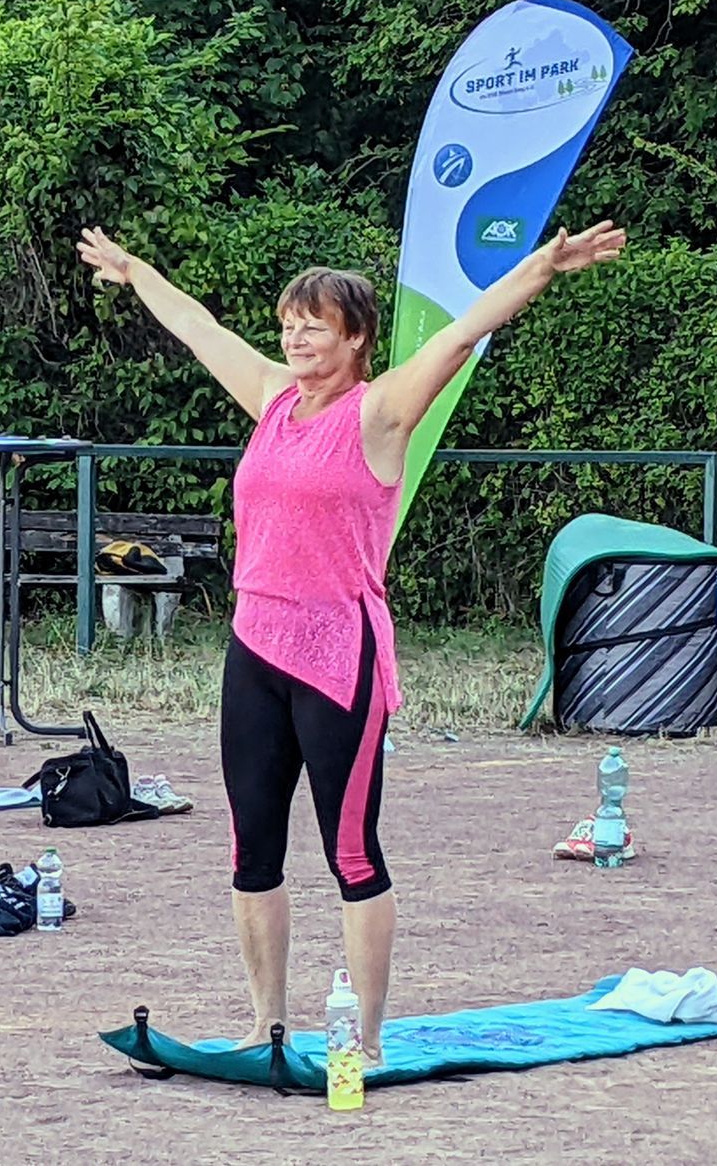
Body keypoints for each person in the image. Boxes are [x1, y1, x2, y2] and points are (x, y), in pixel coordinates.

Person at [77, 218, 625, 1061]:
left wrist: (544, 266)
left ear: (357, 338)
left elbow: (463, 334)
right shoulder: (273, 398)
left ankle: (366, 1037)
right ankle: (264, 1022)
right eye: (289, 323)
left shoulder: (382, 411)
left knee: (351, 852)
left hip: (340, 654)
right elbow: (197, 327)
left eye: (314, 326)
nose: (295, 338)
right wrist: (134, 269)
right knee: (251, 847)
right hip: (255, 646)